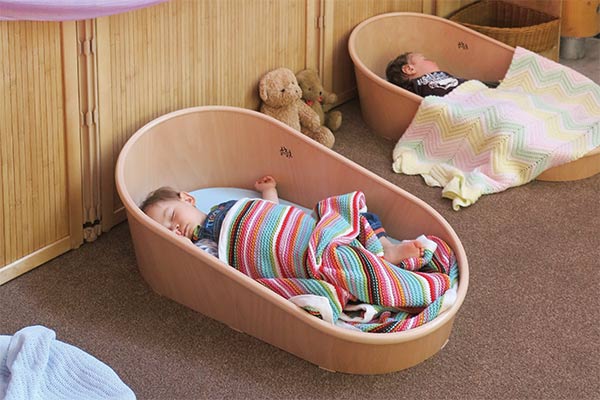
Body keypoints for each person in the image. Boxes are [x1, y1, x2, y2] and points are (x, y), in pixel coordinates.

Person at [140, 175, 425, 264]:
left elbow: (267, 215)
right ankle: (374, 258)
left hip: (305, 228)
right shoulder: (206, 242)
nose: (175, 228)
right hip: (293, 250)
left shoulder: (228, 206)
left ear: (188, 199)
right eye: (167, 232)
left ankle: (383, 247)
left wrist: (268, 191)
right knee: (337, 258)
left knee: (345, 210)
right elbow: (221, 263)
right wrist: (185, 247)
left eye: (172, 217)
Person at [385, 52, 498, 97]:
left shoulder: (443, 75)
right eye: (425, 59)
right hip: (463, 98)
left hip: (470, 88)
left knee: (498, 86)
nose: (432, 60)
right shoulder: (417, 84)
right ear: (410, 69)